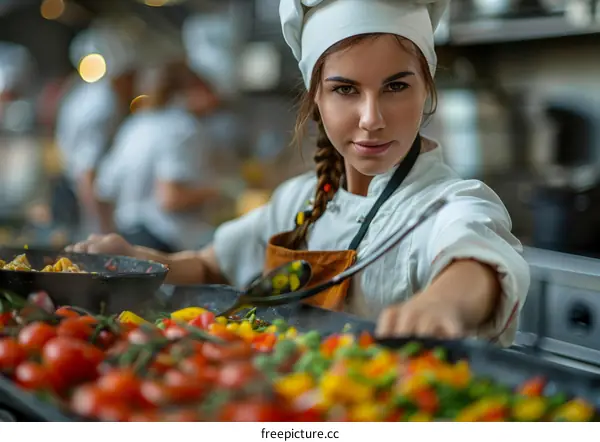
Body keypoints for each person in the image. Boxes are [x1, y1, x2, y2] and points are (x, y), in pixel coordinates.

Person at [68, 0, 531, 347]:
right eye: (345, 90)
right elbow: (212, 263)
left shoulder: (451, 201)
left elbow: (477, 258)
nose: (372, 118)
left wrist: (442, 302)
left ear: (426, 90)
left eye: (395, 86)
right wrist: (134, 261)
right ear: (317, 100)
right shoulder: (299, 201)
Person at [93, 59, 222, 253]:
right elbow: (170, 198)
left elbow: (103, 188)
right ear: (192, 91)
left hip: (127, 235)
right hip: (164, 241)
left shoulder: (136, 124)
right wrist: (218, 191)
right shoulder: (183, 128)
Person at [54, 18, 138, 239]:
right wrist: (104, 230)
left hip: (72, 191)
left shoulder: (82, 93)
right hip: (82, 199)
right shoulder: (103, 103)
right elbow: (87, 171)